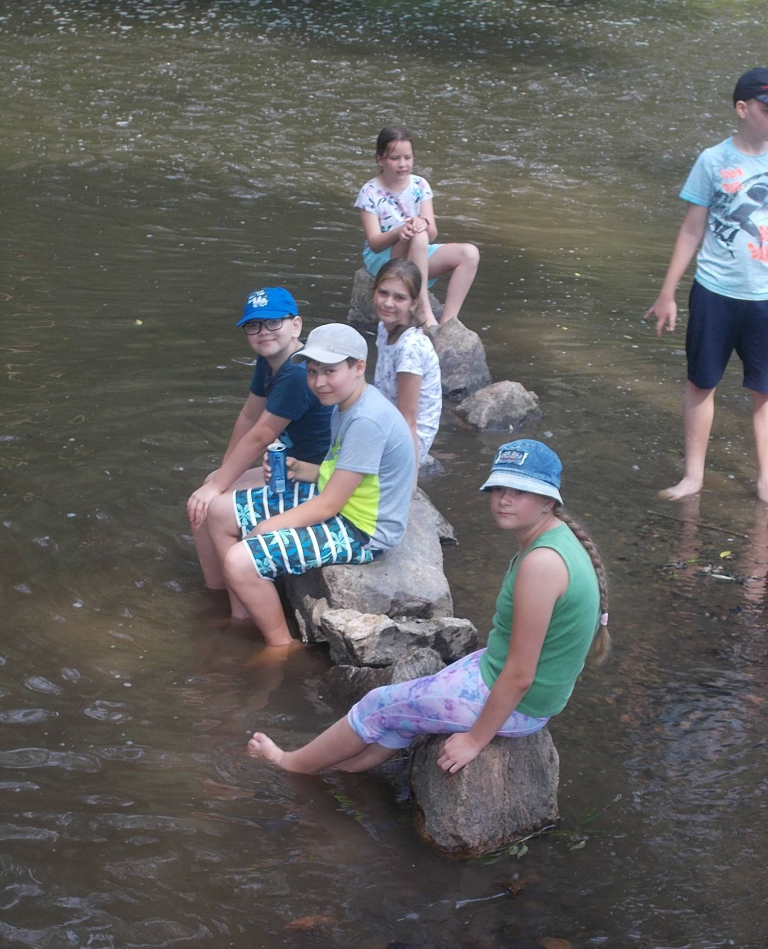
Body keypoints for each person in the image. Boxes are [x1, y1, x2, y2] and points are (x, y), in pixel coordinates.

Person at [247, 440, 610, 774]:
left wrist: (474, 740)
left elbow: (520, 675)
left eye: (519, 491)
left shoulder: (542, 564)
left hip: (522, 706)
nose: (503, 499)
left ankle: (290, 764)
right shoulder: (556, 540)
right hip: (520, 685)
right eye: (499, 488)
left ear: (548, 500)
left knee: (377, 703)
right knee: (410, 703)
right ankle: (349, 767)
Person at [204, 324, 415, 647]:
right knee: (219, 510)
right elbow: (346, 473)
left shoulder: (366, 420)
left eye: (330, 371)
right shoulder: (345, 403)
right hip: (342, 503)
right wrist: (302, 469)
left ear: (359, 367)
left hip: (362, 529)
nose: (318, 382)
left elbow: (329, 505)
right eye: (313, 371)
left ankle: (281, 646)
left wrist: (269, 526)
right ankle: (242, 614)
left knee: (239, 560)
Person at [645, 68, 768, 502]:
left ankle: (766, 481)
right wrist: (668, 293)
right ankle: (693, 477)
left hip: (765, 298)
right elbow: (691, 229)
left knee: (765, 391)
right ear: (742, 108)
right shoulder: (713, 161)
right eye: (766, 109)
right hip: (715, 291)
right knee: (701, 382)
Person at [187, 287, 332, 590]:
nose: (263, 331)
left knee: (212, 504)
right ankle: (219, 589)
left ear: (296, 325)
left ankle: (232, 598)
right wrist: (221, 477)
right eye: (254, 325)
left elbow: (261, 436)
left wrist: (218, 487)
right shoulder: (269, 360)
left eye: (273, 322)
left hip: (314, 476)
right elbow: (249, 416)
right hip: (289, 468)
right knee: (210, 487)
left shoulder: (296, 372)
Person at [355, 125, 479, 329]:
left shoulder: (420, 185)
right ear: (380, 159)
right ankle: (422, 309)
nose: (402, 164)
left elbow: (432, 233)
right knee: (418, 236)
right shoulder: (369, 192)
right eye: (395, 158)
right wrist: (399, 231)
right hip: (384, 257)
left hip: (418, 251)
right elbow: (375, 243)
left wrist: (423, 224)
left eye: (408, 157)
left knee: (469, 254)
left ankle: (449, 321)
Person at [372, 258, 442, 467]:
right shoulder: (384, 328)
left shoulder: (409, 347)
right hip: (388, 419)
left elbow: (408, 419)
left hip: (407, 439)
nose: (388, 303)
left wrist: (408, 476)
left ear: (413, 303)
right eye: (383, 293)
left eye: (399, 297)